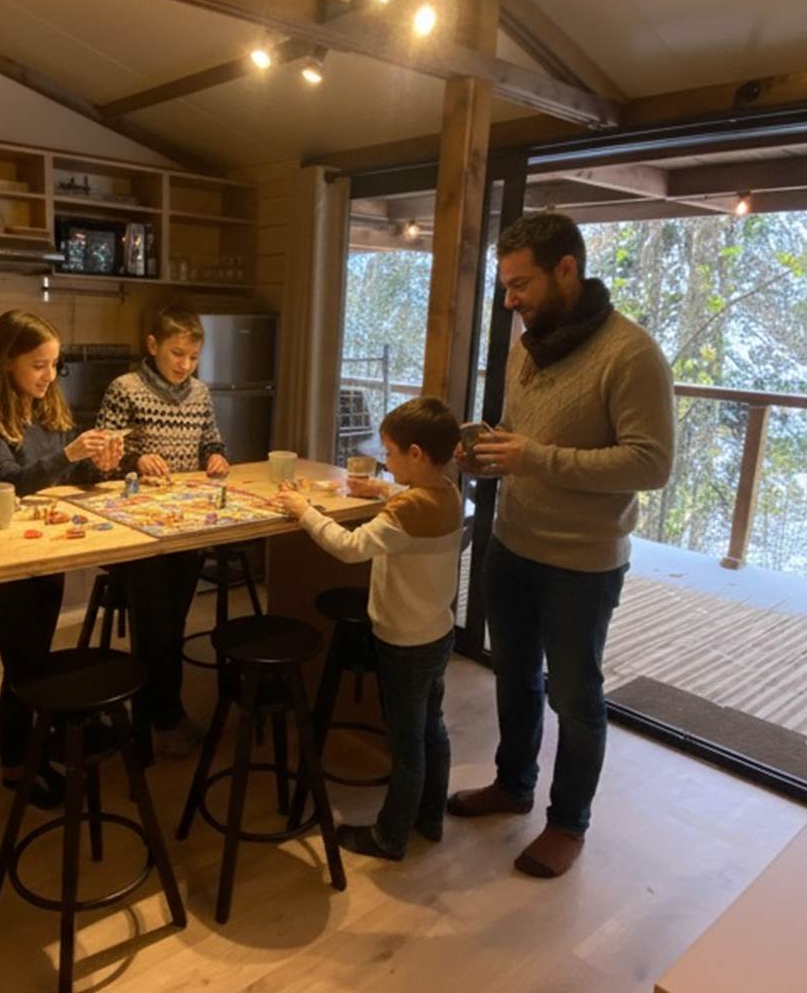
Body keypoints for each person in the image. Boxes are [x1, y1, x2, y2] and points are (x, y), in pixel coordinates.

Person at [448, 211, 674, 879]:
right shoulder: (528, 344)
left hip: (582, 562)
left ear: (567, 270)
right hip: (512, 542)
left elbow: (651, 464)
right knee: (513, 676)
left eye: (521, 285)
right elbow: (526, 440)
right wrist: (495, 456)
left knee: (575, 697)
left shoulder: (631, 354)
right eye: (506, 286)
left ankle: (568, 823)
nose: (511, 300)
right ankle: (513, 784)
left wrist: (536, 458)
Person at [277, 397, 464, 861]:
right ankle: (430, 818)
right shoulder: (447, 493)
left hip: (403, 640)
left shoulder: (404, 514)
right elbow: (414, 506)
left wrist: (305, 512)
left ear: (415, 454)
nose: (385, 459)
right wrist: (382, 492)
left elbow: (350, 546)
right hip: (438, 631)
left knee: (406, 745)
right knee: (431, 729)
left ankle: (390, 835)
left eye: (391, 452)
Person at [0, 310, 123, 807]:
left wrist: (97, 465)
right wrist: (70, 455)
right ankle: (17, 767)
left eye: (54, 364)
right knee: (22, 666)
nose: (49, 376)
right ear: (6, 360)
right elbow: (11, 483)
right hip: (8, 553)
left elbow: (63, 477)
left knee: (35, 658)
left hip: (46, 547)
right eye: (38, 364)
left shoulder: (49, 406)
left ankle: (40, 743)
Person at [95, 304, 230, 760]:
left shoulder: (200, 394)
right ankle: (161, 717)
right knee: (154, 627)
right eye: (176, 354)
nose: (184, 365)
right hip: (139, 527)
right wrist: (135, 458)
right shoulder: (125, 389)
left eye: (192, 357)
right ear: (152, 346)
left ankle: (156, 713)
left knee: (173, 622)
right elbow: (104, 448)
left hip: (186, 523)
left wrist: (217, 457)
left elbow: (213, 440)